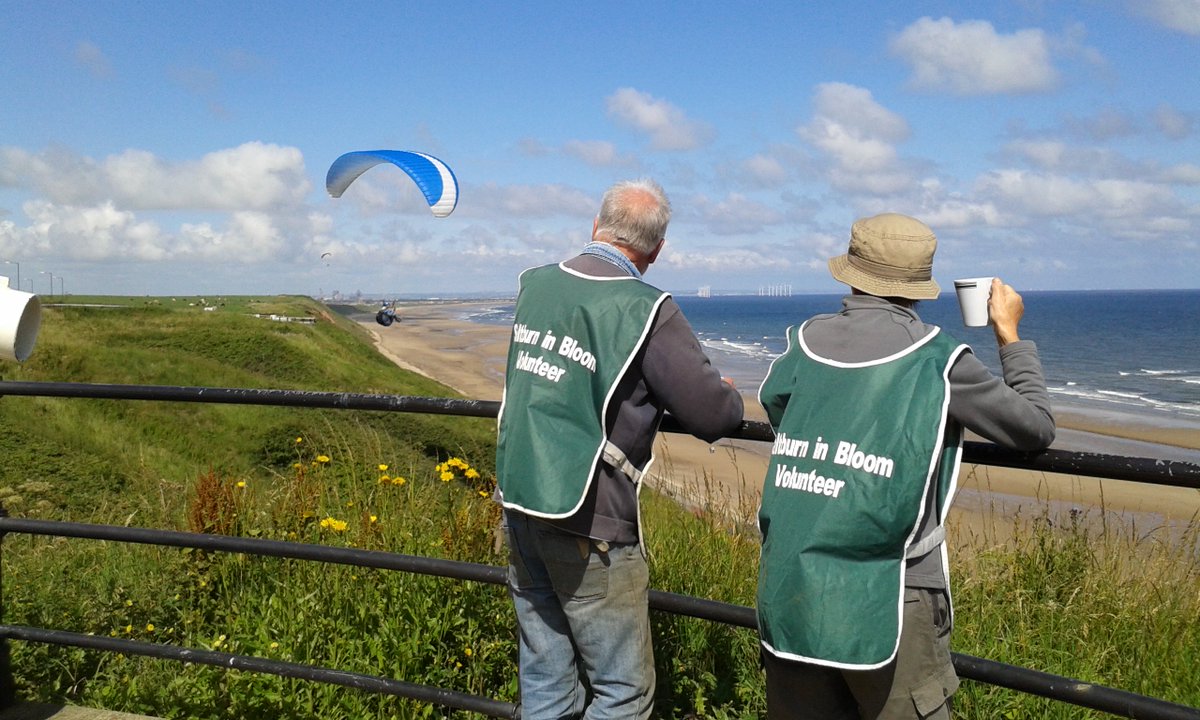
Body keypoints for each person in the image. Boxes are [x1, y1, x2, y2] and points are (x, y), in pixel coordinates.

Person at [755, 213, 1055, 719]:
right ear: (919, 284)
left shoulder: (803, 340)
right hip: (894, 590)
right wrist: (1009, 333)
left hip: (791, 581)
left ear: (851, 272)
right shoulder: (937, 357)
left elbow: (775, 401)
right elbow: (1035, 428)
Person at [495, 178, 744, 719]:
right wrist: (728, 394)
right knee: (622, 692)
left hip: (520, 499)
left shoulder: (536, 284)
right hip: (591, 519)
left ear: (596, 226)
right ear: (657, 250)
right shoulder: (647, 308)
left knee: (545, 678)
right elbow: (712, 414)